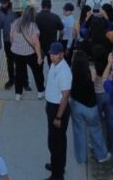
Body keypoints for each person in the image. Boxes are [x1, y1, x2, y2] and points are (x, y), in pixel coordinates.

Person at [68, 50, 109, 166]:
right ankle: (101, 155)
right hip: (90, 106)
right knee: (96, 130)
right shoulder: (91, 71)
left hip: (76, 105)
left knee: (79, 132)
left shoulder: (71, 72)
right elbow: (96, 80)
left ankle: (81, 158)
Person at [43, 42, 72, 180]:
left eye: (55, 54)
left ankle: (57, 175)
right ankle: (56, 165)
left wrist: (58, 117)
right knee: (53, 141)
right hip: (52, 106)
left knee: (57, 143)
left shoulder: (64, 72)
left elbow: (65, 96)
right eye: (51, 54)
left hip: (58, 109)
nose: (52, 56)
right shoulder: (55, 65)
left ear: (62, 54)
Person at [9, 6, 44, 100]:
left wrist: (17, 46)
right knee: (37, 72)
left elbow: (11, 37)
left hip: (17, 52)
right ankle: (40, 92)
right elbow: (36, 42)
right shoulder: (33, 26)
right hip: (30, 53)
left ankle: (18, 94)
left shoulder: (15, 22)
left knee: (19, 73)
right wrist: (39, 56)